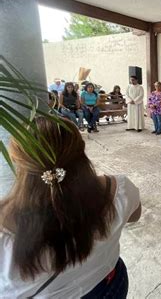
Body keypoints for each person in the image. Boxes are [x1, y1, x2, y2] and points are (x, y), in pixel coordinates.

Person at [0, 116, 141, 298]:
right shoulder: (118, 190)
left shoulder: (4, 226)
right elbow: (135, 216)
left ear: (18, 161)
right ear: (81, 150)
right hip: (110, 284)